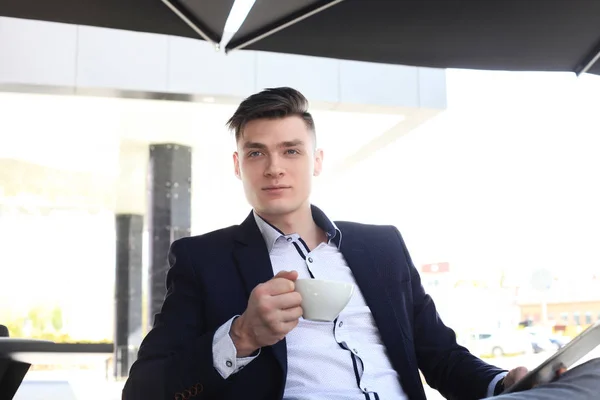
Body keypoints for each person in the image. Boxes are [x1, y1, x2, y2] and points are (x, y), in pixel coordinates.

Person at [123, 87, 600, 400]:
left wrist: (501, 382)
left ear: (317, 160)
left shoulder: (381, 247)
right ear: (238, 166)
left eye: (291, 150)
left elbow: (439, 355)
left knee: (591, 378)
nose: (274, 168)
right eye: (256, 153)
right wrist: (242, 335)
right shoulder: (204, 259)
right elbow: (144, 391)